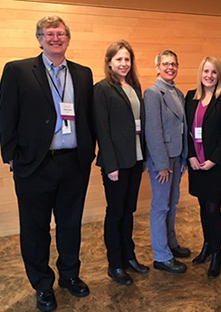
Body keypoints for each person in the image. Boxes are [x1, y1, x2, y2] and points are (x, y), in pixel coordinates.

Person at [0, 16, 95, 311]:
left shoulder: (82, 73)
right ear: (39, 38)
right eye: (49, 34)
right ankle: (42, 284)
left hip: (74, 164)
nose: (55, 38)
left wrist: (89, 153)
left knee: (69, 225)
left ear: (68, 38)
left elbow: (87, 115)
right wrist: (12, 156)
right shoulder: (18, 70)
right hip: (34, 165)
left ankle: (69, 275)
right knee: (35, 228)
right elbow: (6, 116)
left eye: (60, 33)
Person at [93, 40, 149, 286]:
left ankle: (129, 257)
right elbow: (102, 130)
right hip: (116, 163)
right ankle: (114, 263)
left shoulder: (135, 86)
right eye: (119, 59)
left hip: (135, 159)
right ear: (109, 62)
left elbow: (139, 125)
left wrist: (144, 156)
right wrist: (111, 165)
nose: (124, 64)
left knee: (128, 211)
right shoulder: (102, 88)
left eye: (127, 59)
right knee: (115, 212)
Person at [185, 56, 221, 278]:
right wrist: (191, 156)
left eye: (214, 72)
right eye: (206, 71)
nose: (209, 76)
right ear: (200, 74)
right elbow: (185, 130)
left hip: (216, 164)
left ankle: (216, 253)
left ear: (219, 75)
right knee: (203, 206)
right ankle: (206, 245)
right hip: (197, 163)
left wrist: (213, 159)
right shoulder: (190, 98)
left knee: (213, 208)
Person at [144, 50, 190, 274]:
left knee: (172, 204)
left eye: (173, 64)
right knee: (160, 207)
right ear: (157, 67)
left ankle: (171, 244)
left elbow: (183, 129)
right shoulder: (152, 93)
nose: (170, 67)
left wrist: (183, 159)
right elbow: (153, 131)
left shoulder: (178, 93)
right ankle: (161, 256)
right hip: (161, 160)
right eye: (165, 64)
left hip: (176, 156)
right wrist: (162, 164)